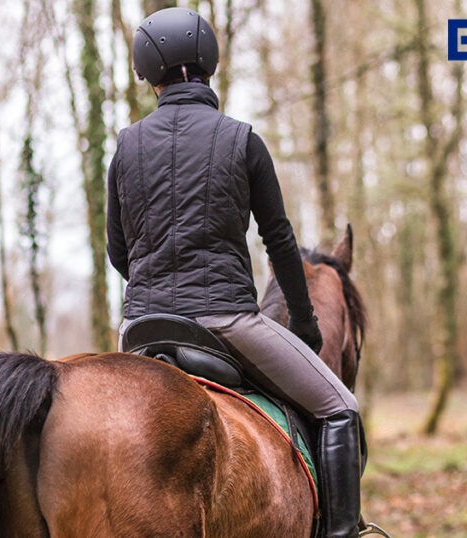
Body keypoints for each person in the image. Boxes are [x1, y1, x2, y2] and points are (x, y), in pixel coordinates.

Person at [106, 7, 362, 537]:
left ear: (147, 72)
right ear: (209, 63)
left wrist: (154, 293)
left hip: (141, 329)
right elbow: (280, 242)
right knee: (340, 407)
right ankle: (342, 532)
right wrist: (306, 326)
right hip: (225, 321)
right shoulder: (241, 139)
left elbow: (117, 252)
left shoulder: (125, 147)